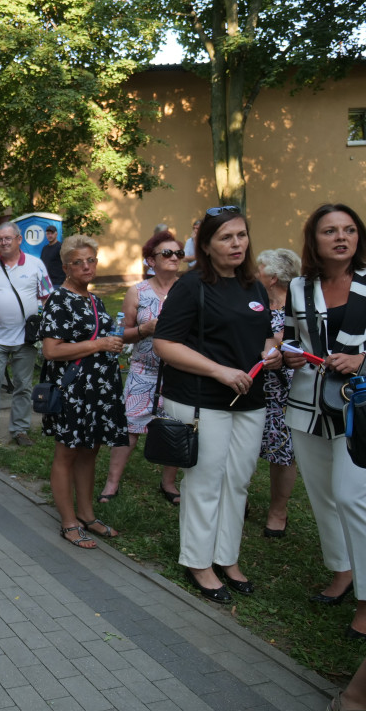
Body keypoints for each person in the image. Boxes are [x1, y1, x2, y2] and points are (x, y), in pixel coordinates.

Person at [153, 206, 279, 602]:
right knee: (206, 482)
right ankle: (198, 562)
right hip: (201, 399)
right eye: (226, 237)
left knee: (238, 481)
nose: (237, 243)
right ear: (206, 245)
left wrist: (271, 351)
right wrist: (219, 371)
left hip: (249, 399)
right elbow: (165, 344)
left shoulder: (254, 287)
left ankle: (227, 557)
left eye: (241, 235)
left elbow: (260, 338)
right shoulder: (191, 287)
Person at [282, 203, 366, 637]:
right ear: (314, 240)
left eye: (349, 230)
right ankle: (342, 572)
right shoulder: (300, 286)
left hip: (359, 409)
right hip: (308, 404)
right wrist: (289, 353)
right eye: (330, 231)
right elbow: (295, 337)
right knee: (323, 497)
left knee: (353, 497)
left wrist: (361, 358)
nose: (341, 238)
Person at [39, 235, 128, 549]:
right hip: (73, 389)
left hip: (99, 387)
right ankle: (68, 522)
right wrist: (100, 344)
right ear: (65, 267)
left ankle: (87, 515)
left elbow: (102, 336)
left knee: (90, 451)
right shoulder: (59, 300)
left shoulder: (94, 299)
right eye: (78, 262)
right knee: (67, 454)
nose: (87, 266)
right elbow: (51, 350)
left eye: (91, 260)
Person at [98, 231, 184, 504]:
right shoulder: (137, 291)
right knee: (130, 429)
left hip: (178, 373)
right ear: (151, 260)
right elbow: (122, 334)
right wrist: (145, 330)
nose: (174, 258)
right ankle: (111, 484)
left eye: (178, 253)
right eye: (167, 253)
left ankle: (169, 483)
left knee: (176, 427)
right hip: (143, 370)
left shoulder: (189, 290)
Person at [0, 221, 52, 451]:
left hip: (25, 339)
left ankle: (19, 429)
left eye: (8, 238)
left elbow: (48, 298)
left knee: (23, 386)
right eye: (0, 239)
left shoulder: (36, 265)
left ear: (19, 240)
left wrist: (44, 326)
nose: (4, 242)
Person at [255, 247, 301, 537]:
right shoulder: (255, 306)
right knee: (242, 448)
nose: (254, 275)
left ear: (272, 278)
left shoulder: (297, 311)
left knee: (283, 454)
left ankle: (278, 510)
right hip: (251, 389)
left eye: (259, 270)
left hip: (285, 393)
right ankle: (238, 498)